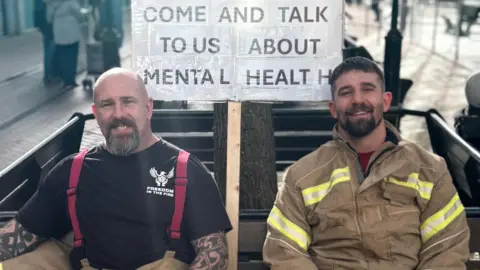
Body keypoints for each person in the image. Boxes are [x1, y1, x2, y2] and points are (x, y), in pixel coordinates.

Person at [0, 67, 232, 269]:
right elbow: (18, 236)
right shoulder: (72, 171)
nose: (119, 114)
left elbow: (215, 255)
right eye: (107, 105)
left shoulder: (186, 170)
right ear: (96, 113)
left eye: (128, 102)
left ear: (148, 108)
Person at [262, 56, 470, 269]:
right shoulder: (303, 175)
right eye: (346, 92)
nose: (357, 100)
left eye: (367, 89)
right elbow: (285, 251)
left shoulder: (428, 170)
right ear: (333, 108)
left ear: (386, 101)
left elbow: (446, 248)